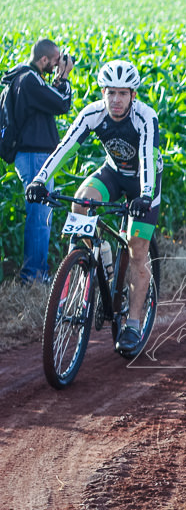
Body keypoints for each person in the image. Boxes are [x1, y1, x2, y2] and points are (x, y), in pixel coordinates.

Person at [25, 60, 159, 356]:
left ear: (133, 95)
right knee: (81, 199)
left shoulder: (145, 118)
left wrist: (146, 195)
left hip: (143, 183)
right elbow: (65, 146)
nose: (116, 100)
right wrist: (40, 179)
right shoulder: (94, 114)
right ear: (103, 92)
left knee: (137, 249)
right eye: (110, 93)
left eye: (123, 93)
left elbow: (148, 157)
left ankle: (133, 323)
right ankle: (93, 264)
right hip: (112, 173)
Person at [3, 39, 74, 285]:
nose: (56, 66)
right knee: (40, 219)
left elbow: (51, 100)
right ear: (43, 60)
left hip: (34, 156)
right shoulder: (30, 80)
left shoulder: (26, 78)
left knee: (40, 217)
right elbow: (62, 103)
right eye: (54, 62)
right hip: (35, 157)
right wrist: (64, 76)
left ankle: (35, 274)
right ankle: (34, 277)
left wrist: (57, 79)